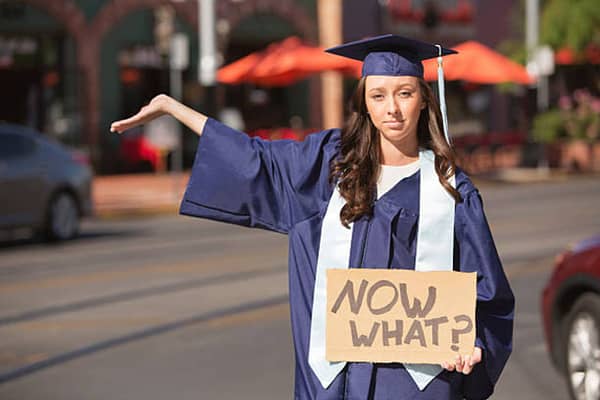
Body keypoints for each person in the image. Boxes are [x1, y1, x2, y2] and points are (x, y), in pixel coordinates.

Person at [111, 34, 514, 400]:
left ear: (424, 98)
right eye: (378, 96)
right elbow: (254, 159)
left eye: (404, 93)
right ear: (364, 102)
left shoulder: (450, 191)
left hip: (415, 386)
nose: (392, 109)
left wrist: (473, 346)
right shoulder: (329, 167)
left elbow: (488, 295)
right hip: (334, 384)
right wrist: (172, 107)